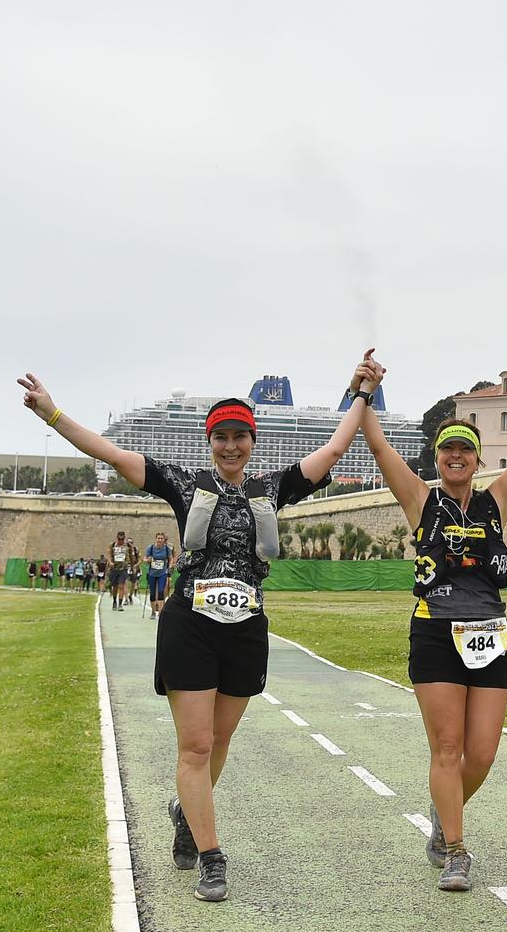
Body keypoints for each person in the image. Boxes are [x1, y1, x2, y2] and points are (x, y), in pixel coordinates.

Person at [19, 360, 367, 903]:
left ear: (253, 442)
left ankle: (186, 812)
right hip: (191, 626)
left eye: (240, 437)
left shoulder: (273, 489)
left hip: (246, 627)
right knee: (197, 744)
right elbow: (107, 451)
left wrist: (360, 392)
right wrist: (52, 413)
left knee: (220, 741)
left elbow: (335, 451)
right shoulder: (185, 484)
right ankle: (211, 857)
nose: (231, 447)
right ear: (210, 441)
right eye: (222, 437)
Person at [349, 351, 507, 891]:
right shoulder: (422, 502)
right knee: (446, 748)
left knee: (482, 752)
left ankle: (446, 807)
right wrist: (365, 391)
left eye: (465, 450)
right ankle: (456, 848)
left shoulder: (495, 502)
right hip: (436, 630)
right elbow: (377, 446)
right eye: (448, 451)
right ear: (437, 460)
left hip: (489, 635)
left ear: (478, 459)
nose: (456, 457)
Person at [145, 533, 175, 620]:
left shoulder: (166, 548)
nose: (160, 540)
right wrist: (148, 560)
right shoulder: (150, 548)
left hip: (162, 573)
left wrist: (170, 566)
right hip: (152, 573)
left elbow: (171, 558)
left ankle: (161, 613)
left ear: (164, 540)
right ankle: (153, 612)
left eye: (162, 538)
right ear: (156, 539)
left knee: (161, 591)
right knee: (153, 593)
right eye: (158, 538)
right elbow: (145, 558)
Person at [108, 533, 136, 610]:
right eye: (119, 539)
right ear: (117, 538)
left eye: (122, 539)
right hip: (114, 568)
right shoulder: (112, 545)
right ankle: (114, 601)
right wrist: (110, 562)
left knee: (121, 585)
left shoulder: (128, 546)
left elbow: (131, 556)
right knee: (115, 587)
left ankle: (120, 604)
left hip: (123, 568)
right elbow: (109, 555)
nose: (120, 541)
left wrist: (133, 567)